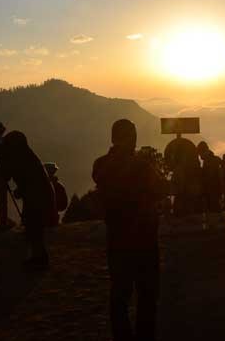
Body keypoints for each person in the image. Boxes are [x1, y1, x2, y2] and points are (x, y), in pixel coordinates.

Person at [93, 119, 162, 341]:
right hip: (144, 237)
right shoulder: (141, 166)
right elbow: (157, 191)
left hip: (117, 237)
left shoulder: (100, 165)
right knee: (146, 292)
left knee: (120, 293)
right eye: (131, 135)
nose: (133, 140)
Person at [0, 131, 56, 270]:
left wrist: (1, 160)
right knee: (34, 228)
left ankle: (39, 259)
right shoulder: (27, 155)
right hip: (39, 196)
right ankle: (39, 257)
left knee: (33, 228)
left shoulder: (18, 157)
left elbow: (7, 175)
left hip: (35, 198)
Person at [164, 133, 201, 217]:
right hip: (184, 202)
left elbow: (173, 187)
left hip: (182, 202)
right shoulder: (184, 170)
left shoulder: (179, 170)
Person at [197, 141, 223, 214]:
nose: (200, 156)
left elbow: (209, 178)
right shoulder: (211, 160)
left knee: (214, 213)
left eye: (200, 153)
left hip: (212, 193)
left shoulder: (210, 161)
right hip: (214, 192)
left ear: (203, 151)